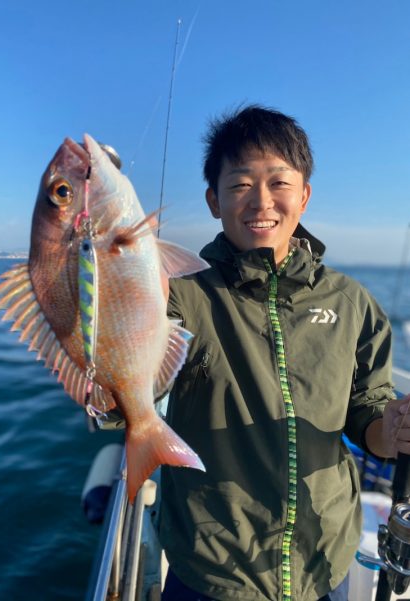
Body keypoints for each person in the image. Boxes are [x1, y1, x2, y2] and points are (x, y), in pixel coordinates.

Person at [155, 104, 410, 601]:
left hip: (325, 560)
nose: (261, 201)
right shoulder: (180, 295)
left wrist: (391, 430)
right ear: (214, 200)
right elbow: (135, 387)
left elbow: (368, 412)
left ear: (305, 195)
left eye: (279, 183)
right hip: (211, 570)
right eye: (240, 184)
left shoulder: (351, 301)